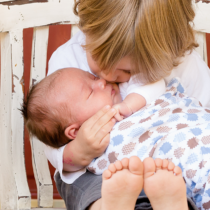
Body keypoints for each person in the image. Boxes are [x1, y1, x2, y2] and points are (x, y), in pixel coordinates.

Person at [39, 0, 210, 209]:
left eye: (129, 72)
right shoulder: (68, 60)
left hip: (170, 169)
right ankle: (106, 205)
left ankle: (172, 204)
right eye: (99, 62)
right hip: (109, 173)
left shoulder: (182, 63)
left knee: (178, 181)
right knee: (81, 182)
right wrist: (79, 151)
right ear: (87, 30)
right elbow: (52, 136)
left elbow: (201, 116)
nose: (107, 77)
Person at [22, 68, 209, 209]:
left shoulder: (128, 91)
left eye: (93, 78)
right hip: (192, 158)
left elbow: (155, 83)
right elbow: (69, 170)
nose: (102, 82)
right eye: (90, 92)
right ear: (75, 131)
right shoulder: (99, 143)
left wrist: (129, 104)